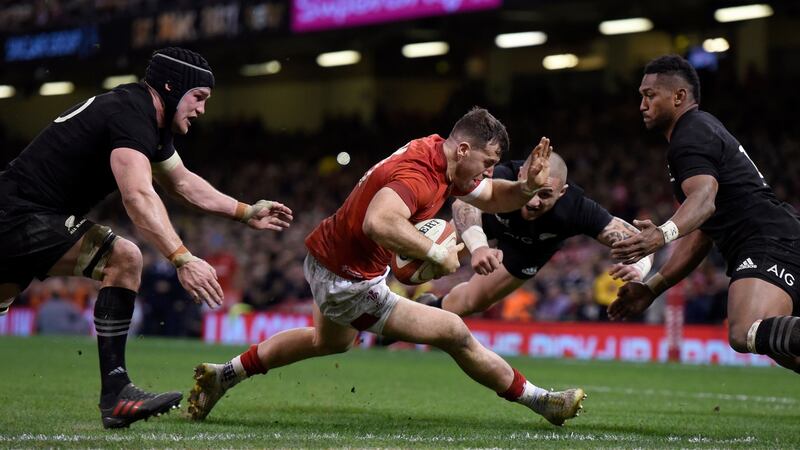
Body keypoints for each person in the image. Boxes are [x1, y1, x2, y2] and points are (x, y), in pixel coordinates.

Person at [189, 108, 586, 426]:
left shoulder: (442, 157)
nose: (489, 171)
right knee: (454, 331)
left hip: (334, 258)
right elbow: (378, 222)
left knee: (329, 342)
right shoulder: (421, 174)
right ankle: (542, 402)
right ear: (464, 149)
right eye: (489, 161)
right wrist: (434, 252)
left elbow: (493, 196)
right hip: (347, 279)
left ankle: (223, 375)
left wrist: (528, 188)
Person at [0, 47, 293, 428]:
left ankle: (116, 395)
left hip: (18, 215)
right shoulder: (132, 114)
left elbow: (183, 183)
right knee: (124, 258)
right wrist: (182, 258)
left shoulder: (141, 118)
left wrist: (244, 211)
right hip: (18, 216)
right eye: (198, 98)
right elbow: (137, 195)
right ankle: (117, 393)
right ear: (172, 88)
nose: (202, 110)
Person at [609, 55, 800, 372]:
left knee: (746, 329)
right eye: (641, 95)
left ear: (679, 97)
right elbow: (703, 230)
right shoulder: (700, 130)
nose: (642, 104)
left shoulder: (689, 134)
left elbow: (704, 200)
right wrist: (653, 287)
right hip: (782, 238)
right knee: (783, 348)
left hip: (767, 241)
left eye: (650, 95)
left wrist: (662, 233)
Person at [410, 153, 651, 319]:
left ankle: (429, 308)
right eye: (530, 190)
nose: (534, 202)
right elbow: (463, 205)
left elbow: (644, 241)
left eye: (545, 194)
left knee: (473, 302)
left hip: (528, 249)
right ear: (519, 177)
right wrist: (479, 247)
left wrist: (639, 270)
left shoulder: (576, 209)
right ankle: (380, 288)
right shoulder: (502, 175)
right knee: (430, 250)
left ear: (562, 192)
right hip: (487, 222)